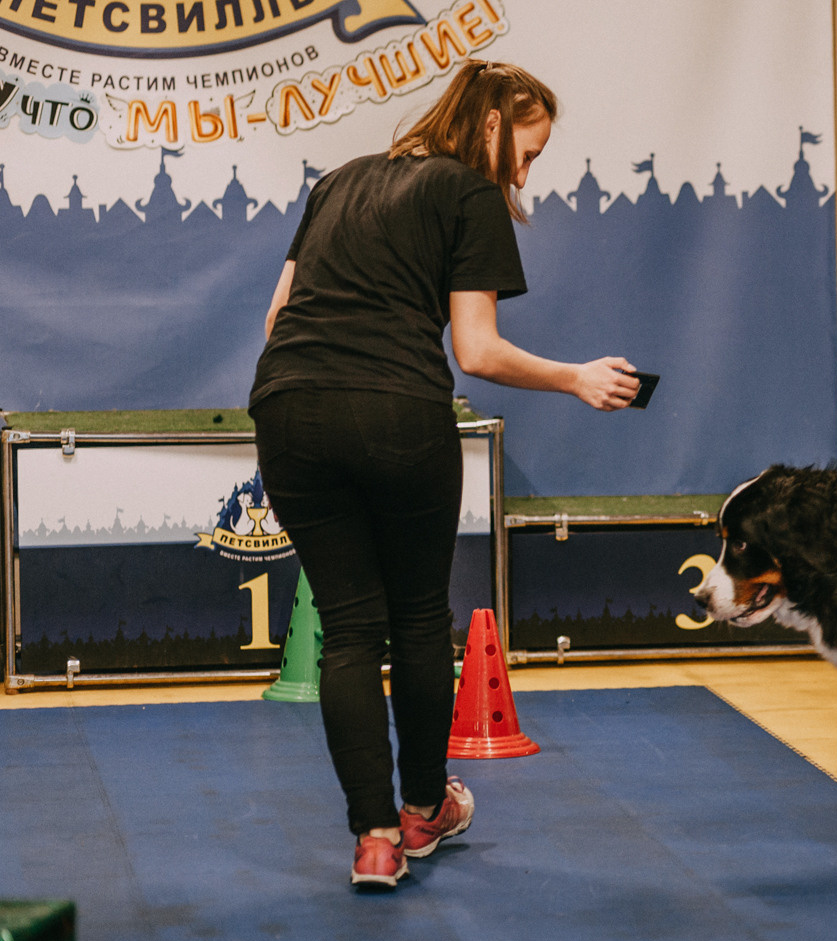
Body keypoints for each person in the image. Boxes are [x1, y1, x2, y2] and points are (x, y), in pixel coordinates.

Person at [250, 60, 641, 887]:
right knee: (421, 620)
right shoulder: (468, 192)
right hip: (395, 410)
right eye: (526, 154)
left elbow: (277, 316)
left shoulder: (340, 181)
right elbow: (477, 351)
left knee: (349, 633)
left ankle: (374, 839)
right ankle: (426, 812)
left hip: (287, 408)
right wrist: (576, 377)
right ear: (492, 125)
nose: (523, 174)